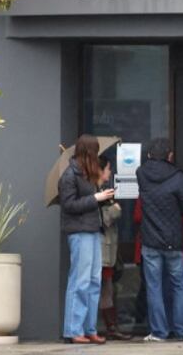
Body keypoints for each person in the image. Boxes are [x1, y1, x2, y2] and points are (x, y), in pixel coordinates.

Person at [136, 138, 183, 342]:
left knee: (154, 286)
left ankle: (159, 332)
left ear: (150, 155)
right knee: (179, 285)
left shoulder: (141, 174)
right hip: (174, 240)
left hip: (150, 240)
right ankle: (181, 331)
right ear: (169, 155)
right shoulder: (178, 177)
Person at [59, 135, 114, 345]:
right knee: (80, 281)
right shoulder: (69, 176)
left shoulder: (86, 175)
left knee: (93, 282)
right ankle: (73, 330)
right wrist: (95, 199)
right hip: (79, 232)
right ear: (88, 152)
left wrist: (101, 198)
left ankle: (89, 328)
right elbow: (69, 206)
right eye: (95, 151)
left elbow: (85, 204)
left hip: (92, 230)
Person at [96, 157, 129, 341]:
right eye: (108, 169)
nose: (110, 172)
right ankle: (111, 327)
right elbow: (104, 218)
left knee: (107, 288)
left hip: (109, 249)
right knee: (105, 289)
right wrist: (116, 208)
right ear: (100, 170)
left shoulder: (103, 192)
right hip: (102, 250)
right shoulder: (95, 193)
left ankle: (111, 326)